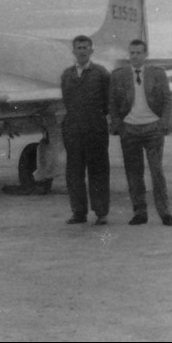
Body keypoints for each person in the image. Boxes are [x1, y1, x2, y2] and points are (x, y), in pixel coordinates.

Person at [109, 39, 172, 226]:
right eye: (132, 53)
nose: (135, 56)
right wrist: (119, 126)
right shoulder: (118, 75)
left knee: (156, 171)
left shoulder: (158, 73)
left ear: (145, 54)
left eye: (139, 53)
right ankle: (140, 213)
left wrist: (162, 123)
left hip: (153, 128)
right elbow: (112, 104)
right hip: (129, 129)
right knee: (133, 173)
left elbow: (167, 100)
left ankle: (165, 213)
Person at [59, 35, 111, 225]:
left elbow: (107, 102)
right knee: (74, 172)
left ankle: (101, 213)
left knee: (98, 171)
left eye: (85, 48)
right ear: (74, 51)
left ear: (91, 51)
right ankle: (78, 212)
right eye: (78, 48)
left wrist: (94, 117)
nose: (82, 51)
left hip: (95, 128)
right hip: (73, 129)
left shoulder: (101, 73)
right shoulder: (67, 75)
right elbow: (67, 100)